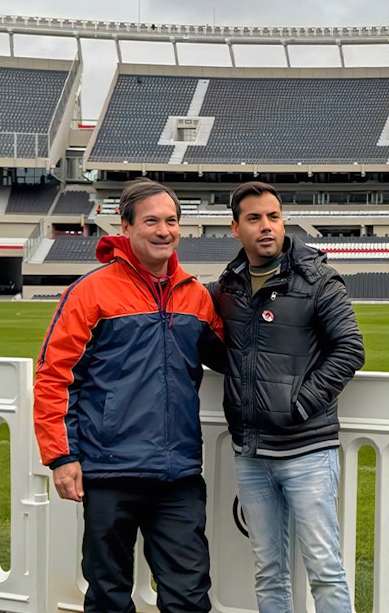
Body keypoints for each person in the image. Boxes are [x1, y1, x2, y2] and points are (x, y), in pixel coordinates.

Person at [34, 178, 225, 613]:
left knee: (190, 597)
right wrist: (62, 458)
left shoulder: (195, 295)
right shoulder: (91, 292)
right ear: (125, 227)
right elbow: (53, 377)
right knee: (109, 595)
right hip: (108, 470)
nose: (164, 231)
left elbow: (234, 357)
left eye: (172, 221)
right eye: (152, 221)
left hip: (177, 474)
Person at [210, 181, 364, 613]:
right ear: (235, 228)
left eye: (273, 217)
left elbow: (351, 348)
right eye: (254, 218)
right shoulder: (228, 287)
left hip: (307, 451)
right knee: (268, 570)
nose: (266, 226)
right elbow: (224, 350)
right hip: (251, 452)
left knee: (325, 569)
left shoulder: (317, 278)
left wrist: (298, 405)